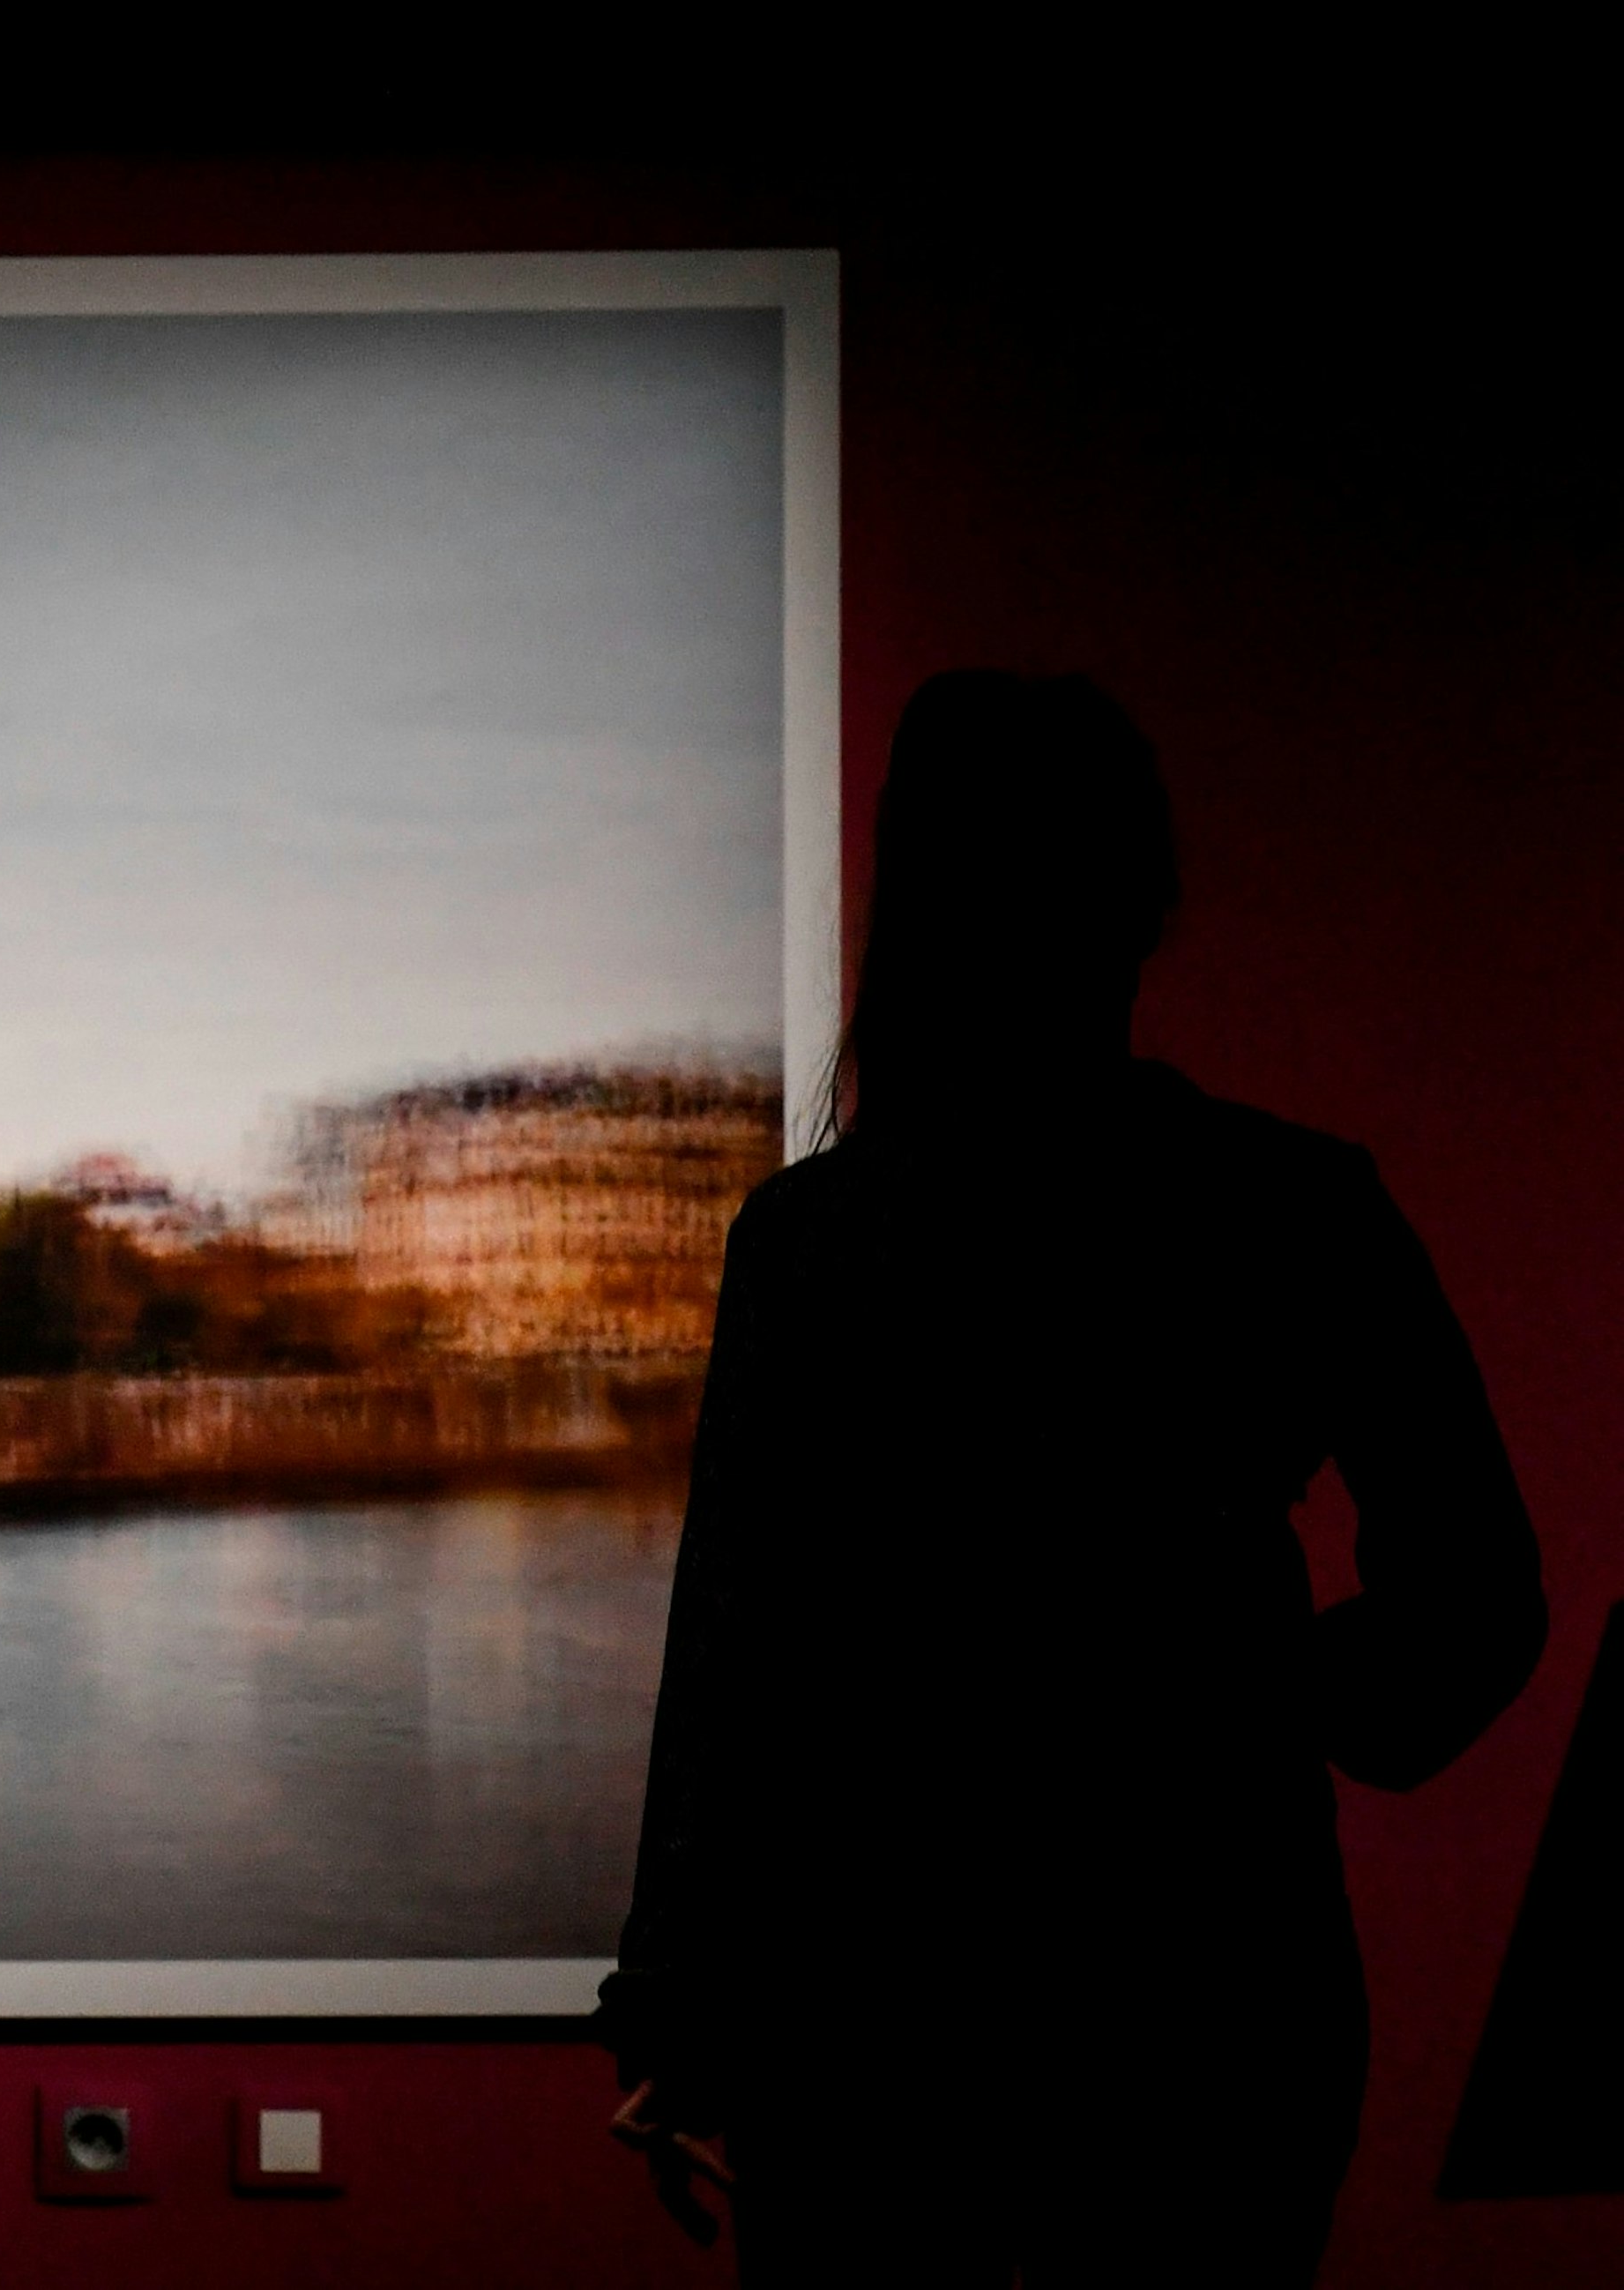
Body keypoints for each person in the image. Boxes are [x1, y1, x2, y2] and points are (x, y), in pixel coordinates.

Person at [594, 672, 1546, 2286]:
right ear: (1149, 903)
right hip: (1212, 1979)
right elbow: (1481, 1597)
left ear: (916, 903)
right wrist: (1272, 1683)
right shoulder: (1298, 1206)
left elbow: (735, 1661)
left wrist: (677, 2005)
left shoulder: (815, 1243)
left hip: (879, 2004)